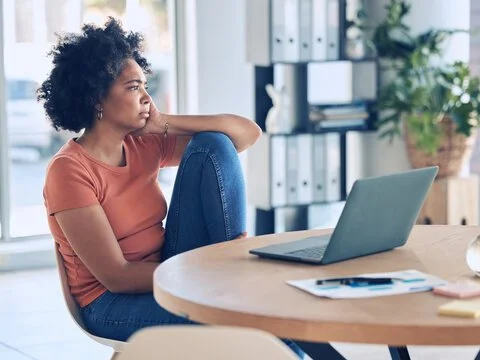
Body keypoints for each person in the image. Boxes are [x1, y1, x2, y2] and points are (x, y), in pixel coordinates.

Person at [39, 18, 346, 360]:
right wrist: (209, 275)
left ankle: (232, 265)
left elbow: (244, 135)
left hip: (170, 270)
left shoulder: (143, 145)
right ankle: (234, 277)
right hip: (111, 303)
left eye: (145, 85)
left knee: (212, 143)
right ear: (97, 96)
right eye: (133, 87)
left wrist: (164, 123)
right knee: (248, 320)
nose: (146, 97)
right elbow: (118, 278)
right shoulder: (69, 171)